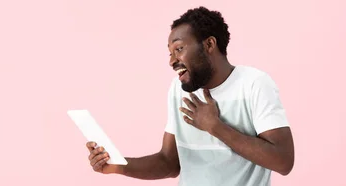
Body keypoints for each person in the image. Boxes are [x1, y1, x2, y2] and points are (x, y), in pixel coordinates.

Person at [86, 6, 294, 186]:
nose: (172, 61)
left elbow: (283, 161)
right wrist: (119, 165)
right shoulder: (178, 90)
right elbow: (169, 162)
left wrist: (215, 127)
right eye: (170, 53)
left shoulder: (254, 84)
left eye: (179, 49)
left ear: (209, 45)